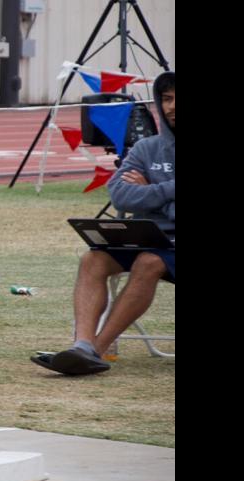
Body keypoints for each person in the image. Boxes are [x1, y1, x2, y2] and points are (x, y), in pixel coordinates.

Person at [33, 71, 174, 376]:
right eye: (166, 99)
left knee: (149, 262)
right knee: (93, 258)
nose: (172, 106)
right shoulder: (146, 148)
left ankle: (95, 351)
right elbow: (120, 196)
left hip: (165, 251)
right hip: (148, 236)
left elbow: (142, 199)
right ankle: (81, 346)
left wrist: (150, 190)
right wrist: (167, 193)